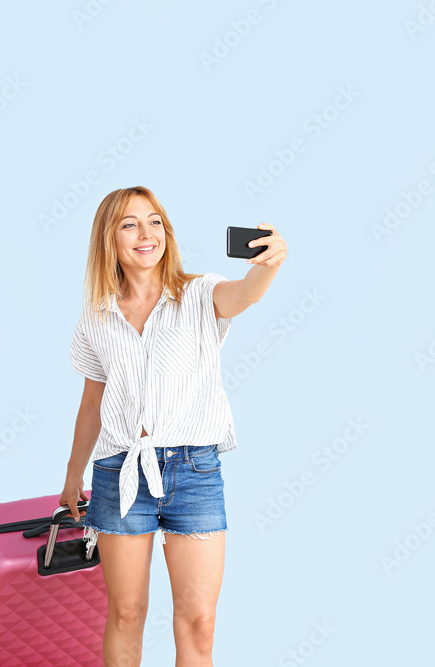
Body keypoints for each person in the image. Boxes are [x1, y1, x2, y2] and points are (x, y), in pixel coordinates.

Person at [59, 186, 286, 666]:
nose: (146, 234)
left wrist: (268, 265)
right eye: (129, 224)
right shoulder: (95, 315)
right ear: (109, 239)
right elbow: (91, 403)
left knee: (199, 619)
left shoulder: (201, 293)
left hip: (194, 472)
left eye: (155, 221)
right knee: (127, 612)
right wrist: (71, 476)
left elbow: (244, 295)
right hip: (119, 471)